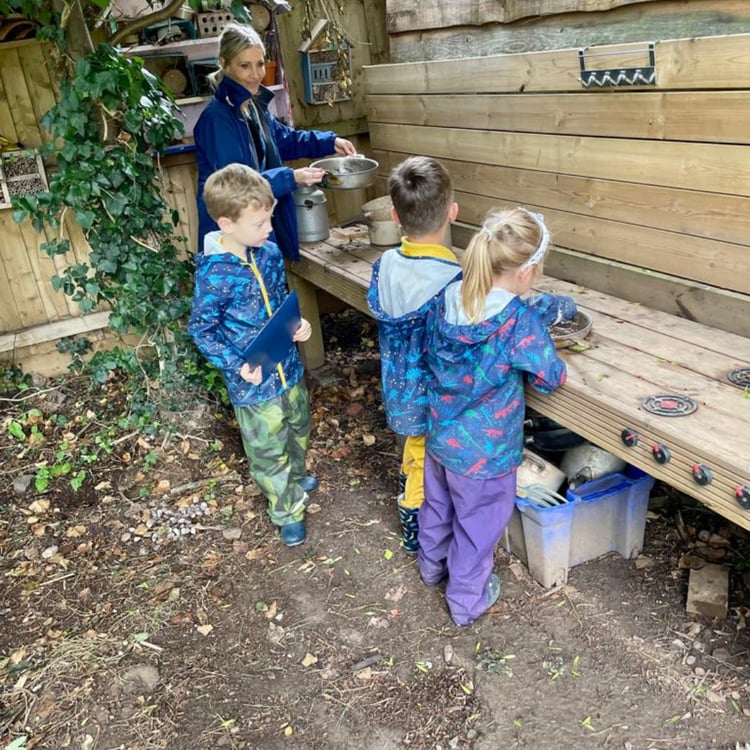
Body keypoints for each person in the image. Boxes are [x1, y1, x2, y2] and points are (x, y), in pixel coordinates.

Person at [419, 207, 569, 626]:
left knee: (438, 507)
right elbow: (548, 377)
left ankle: (431, 568)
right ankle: (467, 601)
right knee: (478, 526)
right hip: (485, 456)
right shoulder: (517, 321)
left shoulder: (448, 297)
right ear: (527, 272)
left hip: (441, 439)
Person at [188, 163, 318, 547]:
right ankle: (286, 509)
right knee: (267, 448)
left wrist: (298, 326)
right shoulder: (215, 274)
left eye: (269, 220)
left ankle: (296, 476)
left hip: (289, 369)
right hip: (254, 382)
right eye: (259, 224)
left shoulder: (270, 254)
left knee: (298, 427)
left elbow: (279, 304)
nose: (268, 230)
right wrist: (235, 365)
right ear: (227, 224)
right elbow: (202, 330)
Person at [193, 22, 356, 259]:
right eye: (244, 66)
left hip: (256, 229)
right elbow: (238, 186)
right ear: (225, 65)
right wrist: (290, 177)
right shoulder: (217, 119)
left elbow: (285, 140)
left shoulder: (253, 106)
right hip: (231, 241)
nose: (256, 74)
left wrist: (329, 142)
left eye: (260, 64)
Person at [367, 156, 462, 554]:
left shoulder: (385, 262)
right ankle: (416, 530)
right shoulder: (451, 280)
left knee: (415, 452)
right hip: (433, 397)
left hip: (399, 389)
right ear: (453, 212)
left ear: (393, 215)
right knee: (426, 461)